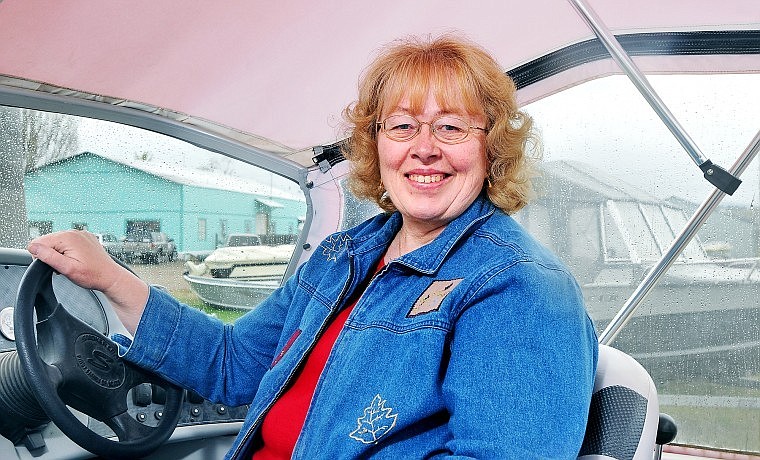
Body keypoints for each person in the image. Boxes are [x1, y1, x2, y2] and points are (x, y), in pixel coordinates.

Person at [28, 35, 598, 459]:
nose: (424, 149)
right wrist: (109, 277)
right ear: (376, 146)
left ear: (491, 147)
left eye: (451, 128)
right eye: (401, 127)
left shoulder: (518, 285)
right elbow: (234, 365)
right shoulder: (344, 256)